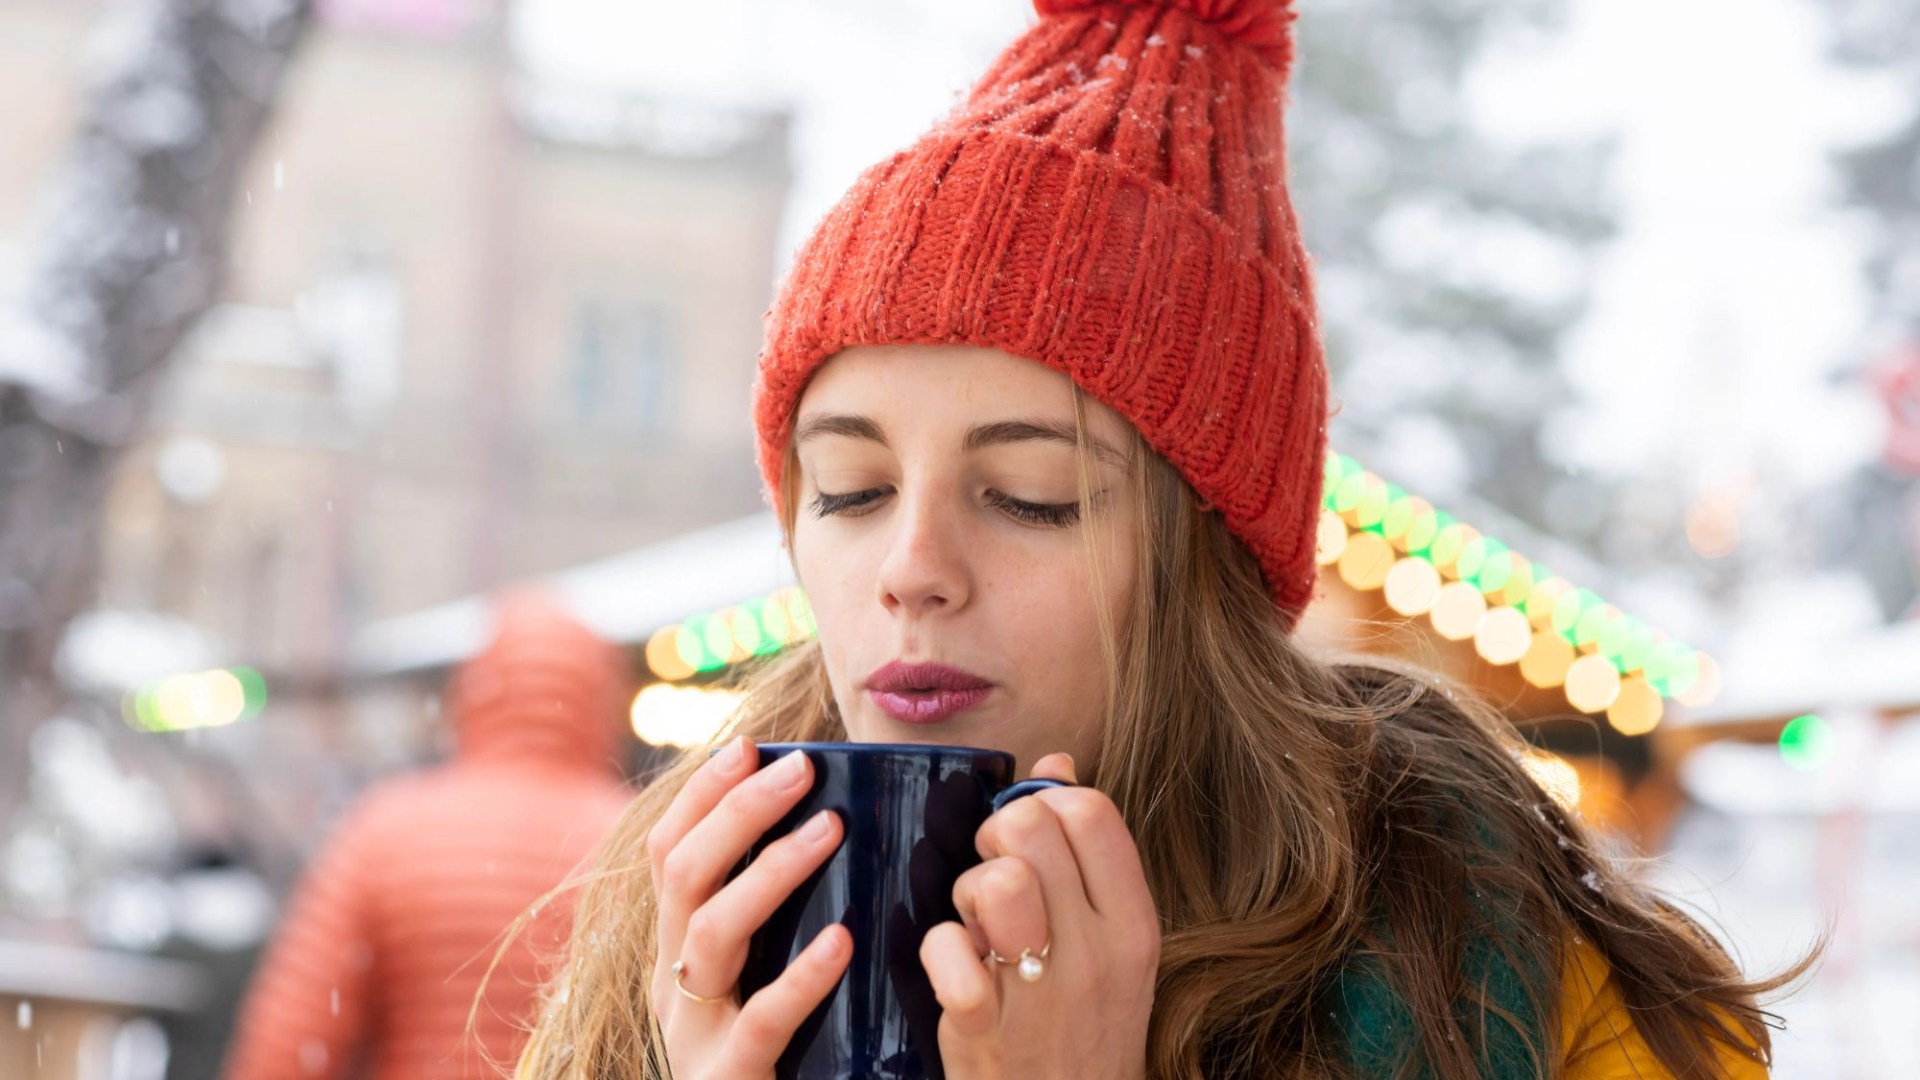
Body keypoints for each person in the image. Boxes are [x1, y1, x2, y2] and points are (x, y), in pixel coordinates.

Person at [516, 1, 1810, 1077]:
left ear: (1210, 555)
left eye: (1030, 495)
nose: (909, 568)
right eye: (848, 490)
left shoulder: (1504, 966)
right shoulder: (681, 914)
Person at [223, 591, 633, 1080]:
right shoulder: (633, 843)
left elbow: (288, 1042)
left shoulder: (386, 829)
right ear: (602, 699)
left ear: (473, 693)